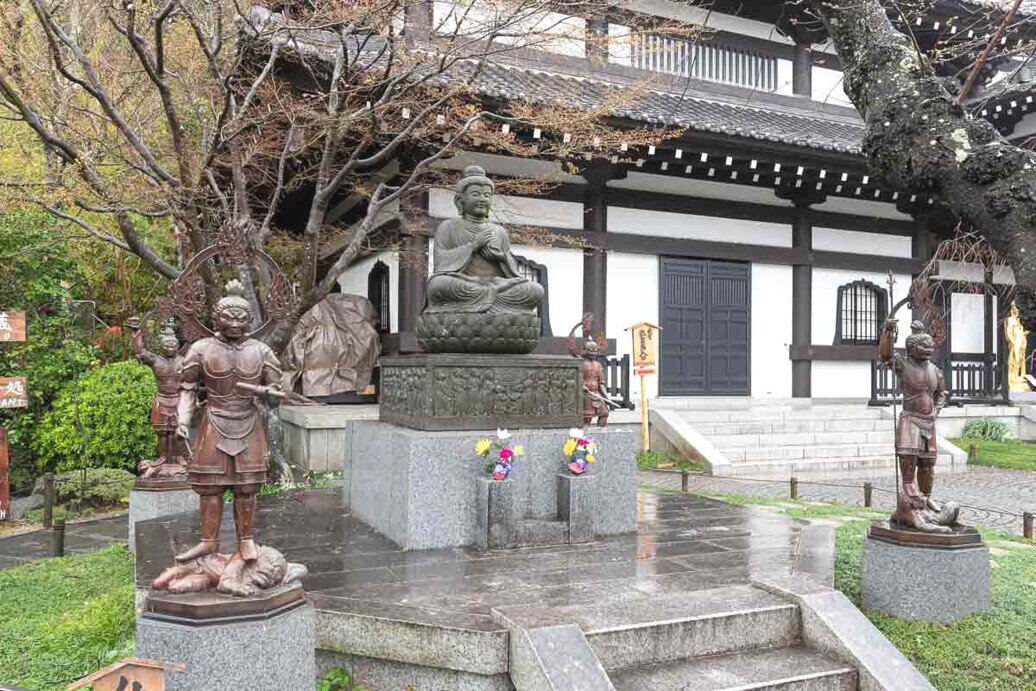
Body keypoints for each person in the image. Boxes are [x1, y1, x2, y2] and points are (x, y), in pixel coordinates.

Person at [174, 280, 283, 563]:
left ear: (249, 320)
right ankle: (208, 541)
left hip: (248, 420)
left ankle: (246, 539)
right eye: (227, 317)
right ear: (215, 318)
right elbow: (186, 386)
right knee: (210, 486)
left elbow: (276, 392)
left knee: (246, 487)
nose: (235, 323)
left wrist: (272, 396)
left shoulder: (262, 351)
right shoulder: (201, 349)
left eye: (241, 317)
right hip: (214, 420)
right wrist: (183, 419)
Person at [425, 165, 544, 315]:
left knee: (535, 290)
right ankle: (490, 301)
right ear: (460, 201)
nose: (482, 199)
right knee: (438, 285)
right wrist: (473, 245)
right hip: (465, 283)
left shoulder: (499, 231)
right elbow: (441, 265)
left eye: (487, 195)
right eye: (476, 194)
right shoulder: (448, 227)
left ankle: (487, 299)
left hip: (497, 283)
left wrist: (500, 258)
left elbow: (512, 271)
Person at [879, 318, 958, 532]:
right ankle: (911, 504)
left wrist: (937, 410)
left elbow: (941, 393)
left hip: (928, 421)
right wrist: (887, 332)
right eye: (923, 346)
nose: (928, 349)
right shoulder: (903, 365)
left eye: (930, 346)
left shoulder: (935, 370)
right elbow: (885, 356)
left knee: (928, 463)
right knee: (908, 460)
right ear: (912, 349)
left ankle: (926, 497)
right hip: (910, 419)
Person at [128, 319, 187, 480]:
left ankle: (177, 458)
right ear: (162, 346)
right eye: (167, 346)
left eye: (173, 346)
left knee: (177, 432)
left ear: (178, 346)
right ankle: (163, 458)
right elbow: (140, 353)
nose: (170, 349)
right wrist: (136, 333)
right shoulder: (155, 360)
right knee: (162, 432)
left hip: (178, 399)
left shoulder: (184, 361)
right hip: (161, 399)